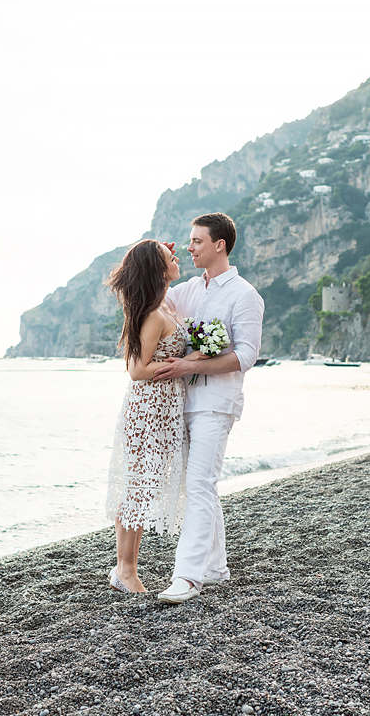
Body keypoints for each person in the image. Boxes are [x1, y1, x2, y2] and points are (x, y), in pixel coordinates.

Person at [152, 212, 264, 604]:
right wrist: (157, 262)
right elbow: (151, 303)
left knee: (199, 484)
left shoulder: (245, 295)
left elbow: (247, 355)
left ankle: (188, 575)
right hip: (183, 401)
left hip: (217, 402)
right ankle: (216, 567)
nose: (190, 247)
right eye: (187, 241)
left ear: (220, 244)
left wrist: (191, 364)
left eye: (197, 241)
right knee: (200, 485)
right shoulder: (187, 291)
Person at [104, 239, 206, 593]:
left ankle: (126, 568)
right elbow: (135, 370)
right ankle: (124, 570)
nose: (176, 258)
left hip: (165, 410)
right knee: (137, 488)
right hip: (146, 411)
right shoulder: (152, 314)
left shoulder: (167, 306)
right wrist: (182, 364)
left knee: (145, 489)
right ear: (158, 269)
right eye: (169, 257)